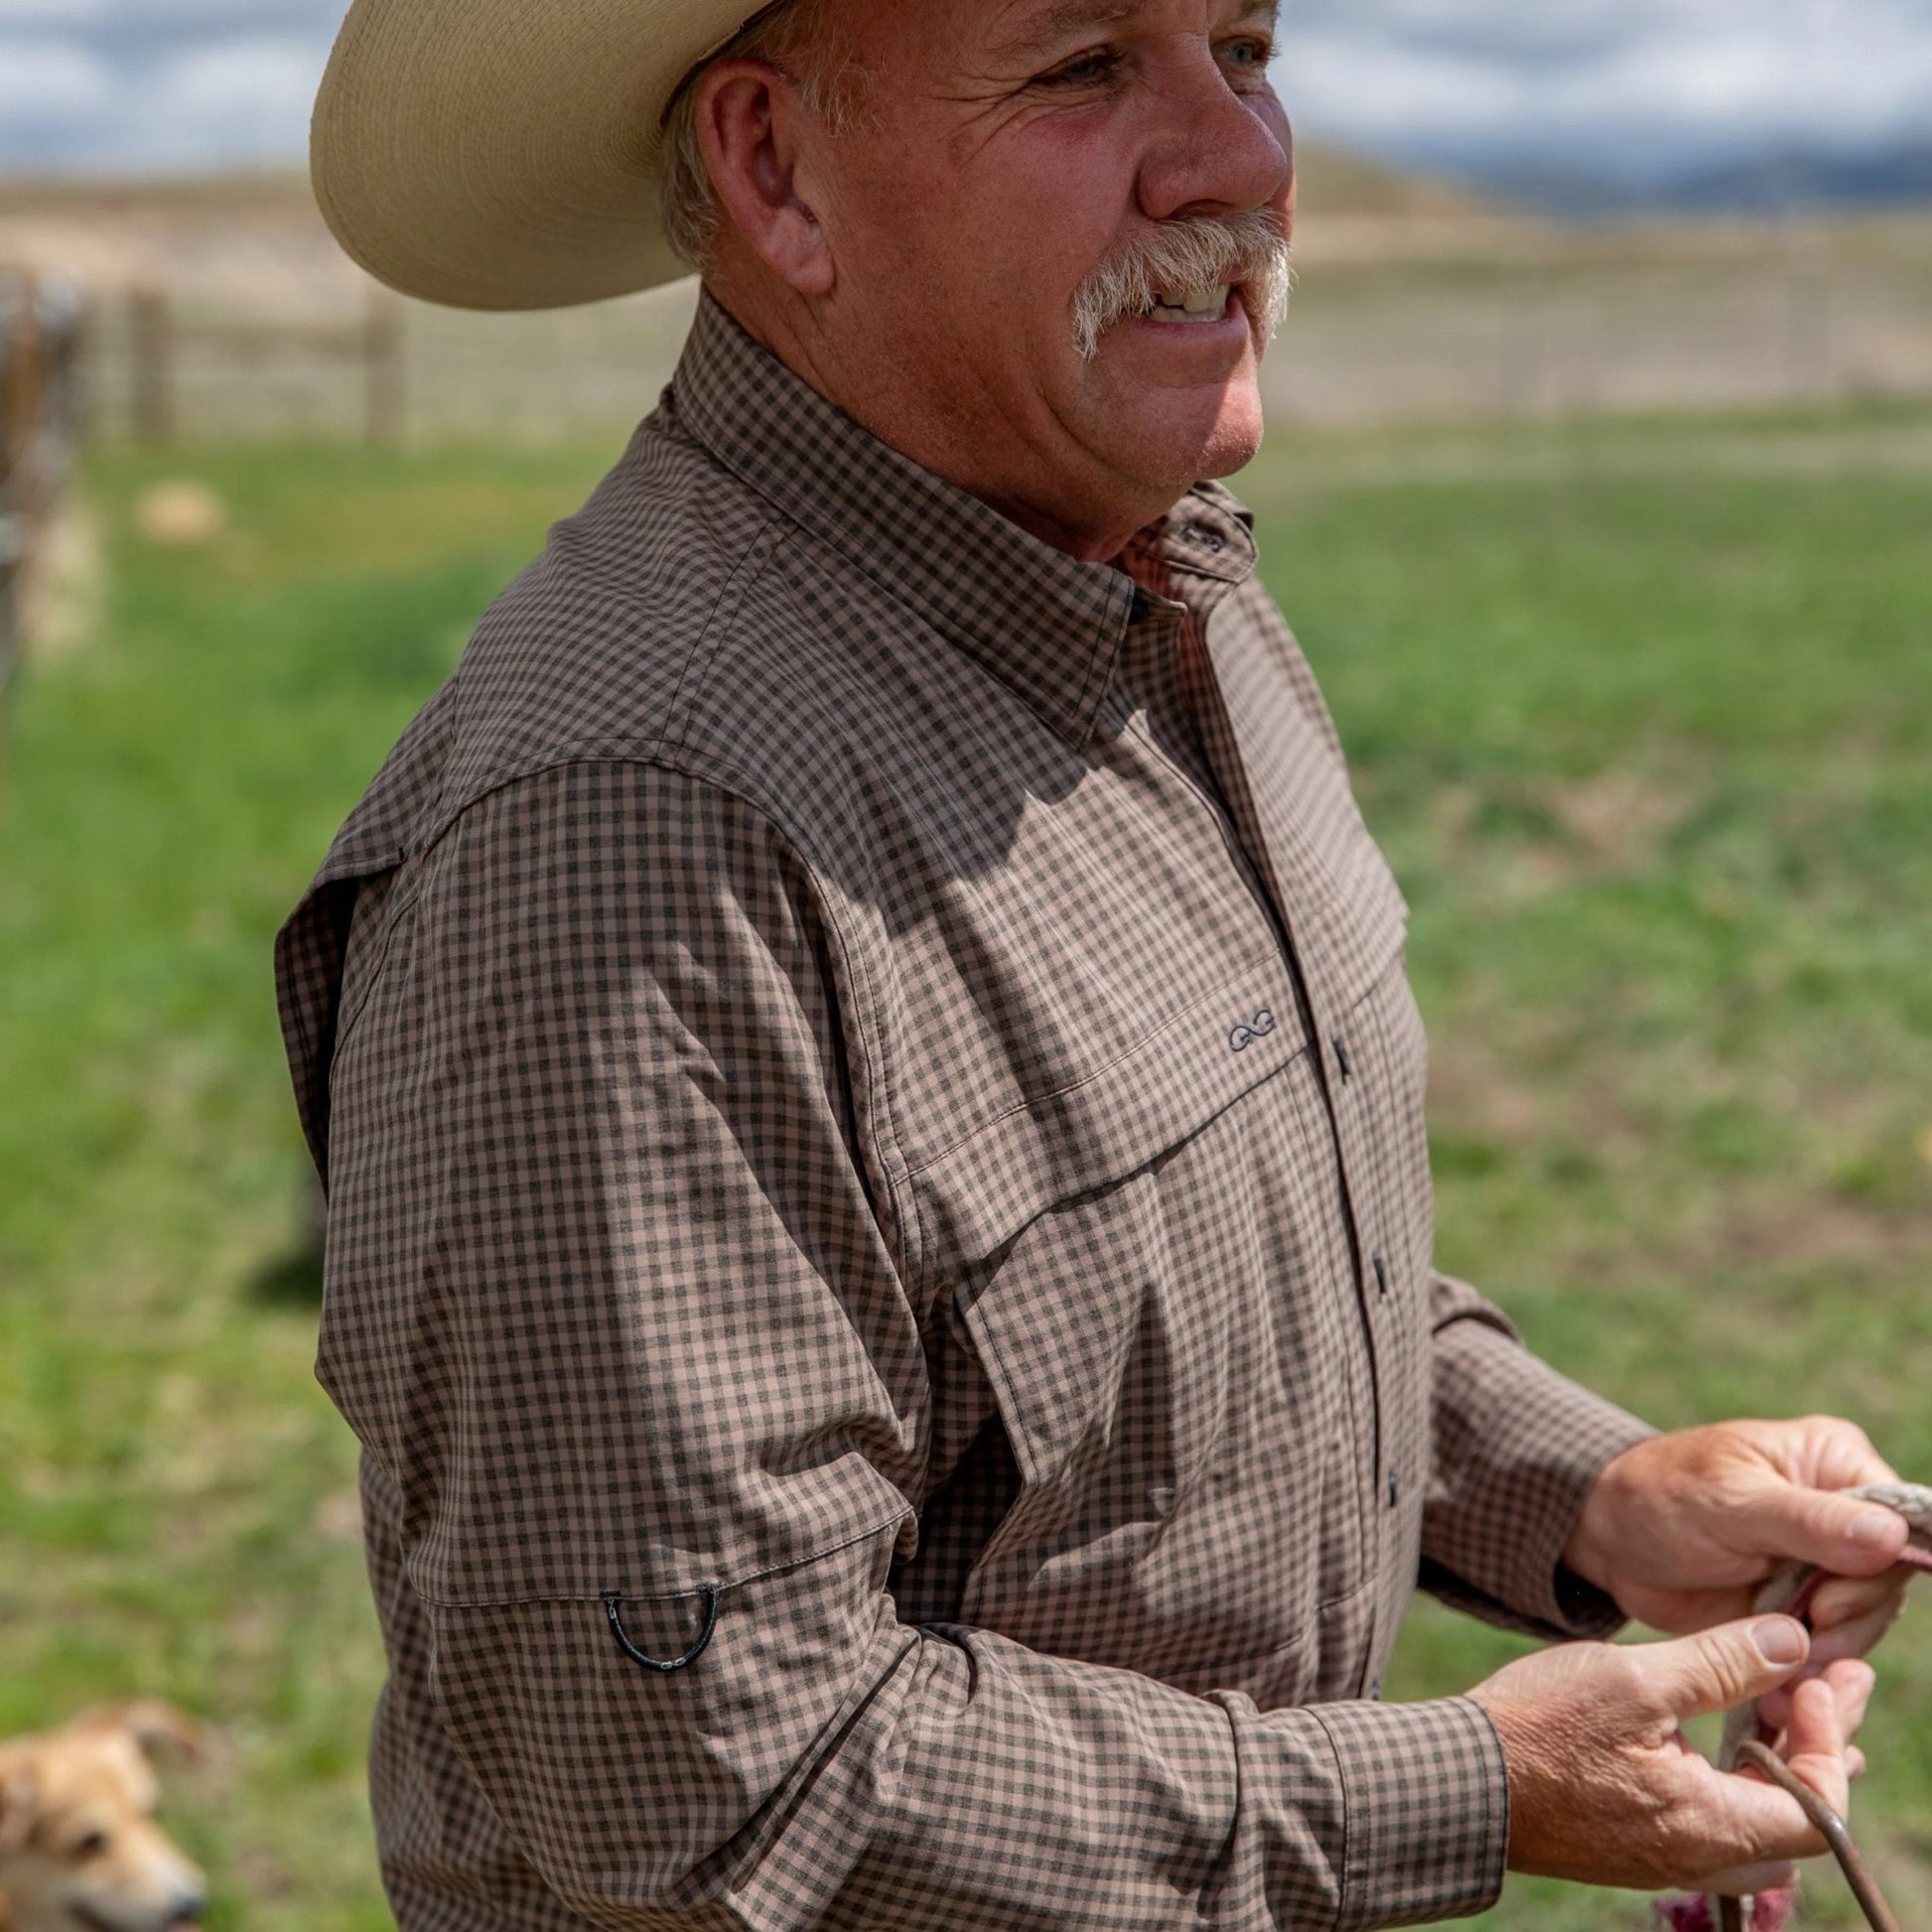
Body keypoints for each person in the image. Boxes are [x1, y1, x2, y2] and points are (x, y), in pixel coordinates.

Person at [277, 0, 1915, 1923]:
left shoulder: (1156, 584)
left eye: (1242, 47)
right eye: (1082, 66)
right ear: (774, 170)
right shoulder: (628, 828)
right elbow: (704, 1783)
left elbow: (1180, 1288)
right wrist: (1462, 1790)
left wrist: (1582, 1495)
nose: (1240, 159)